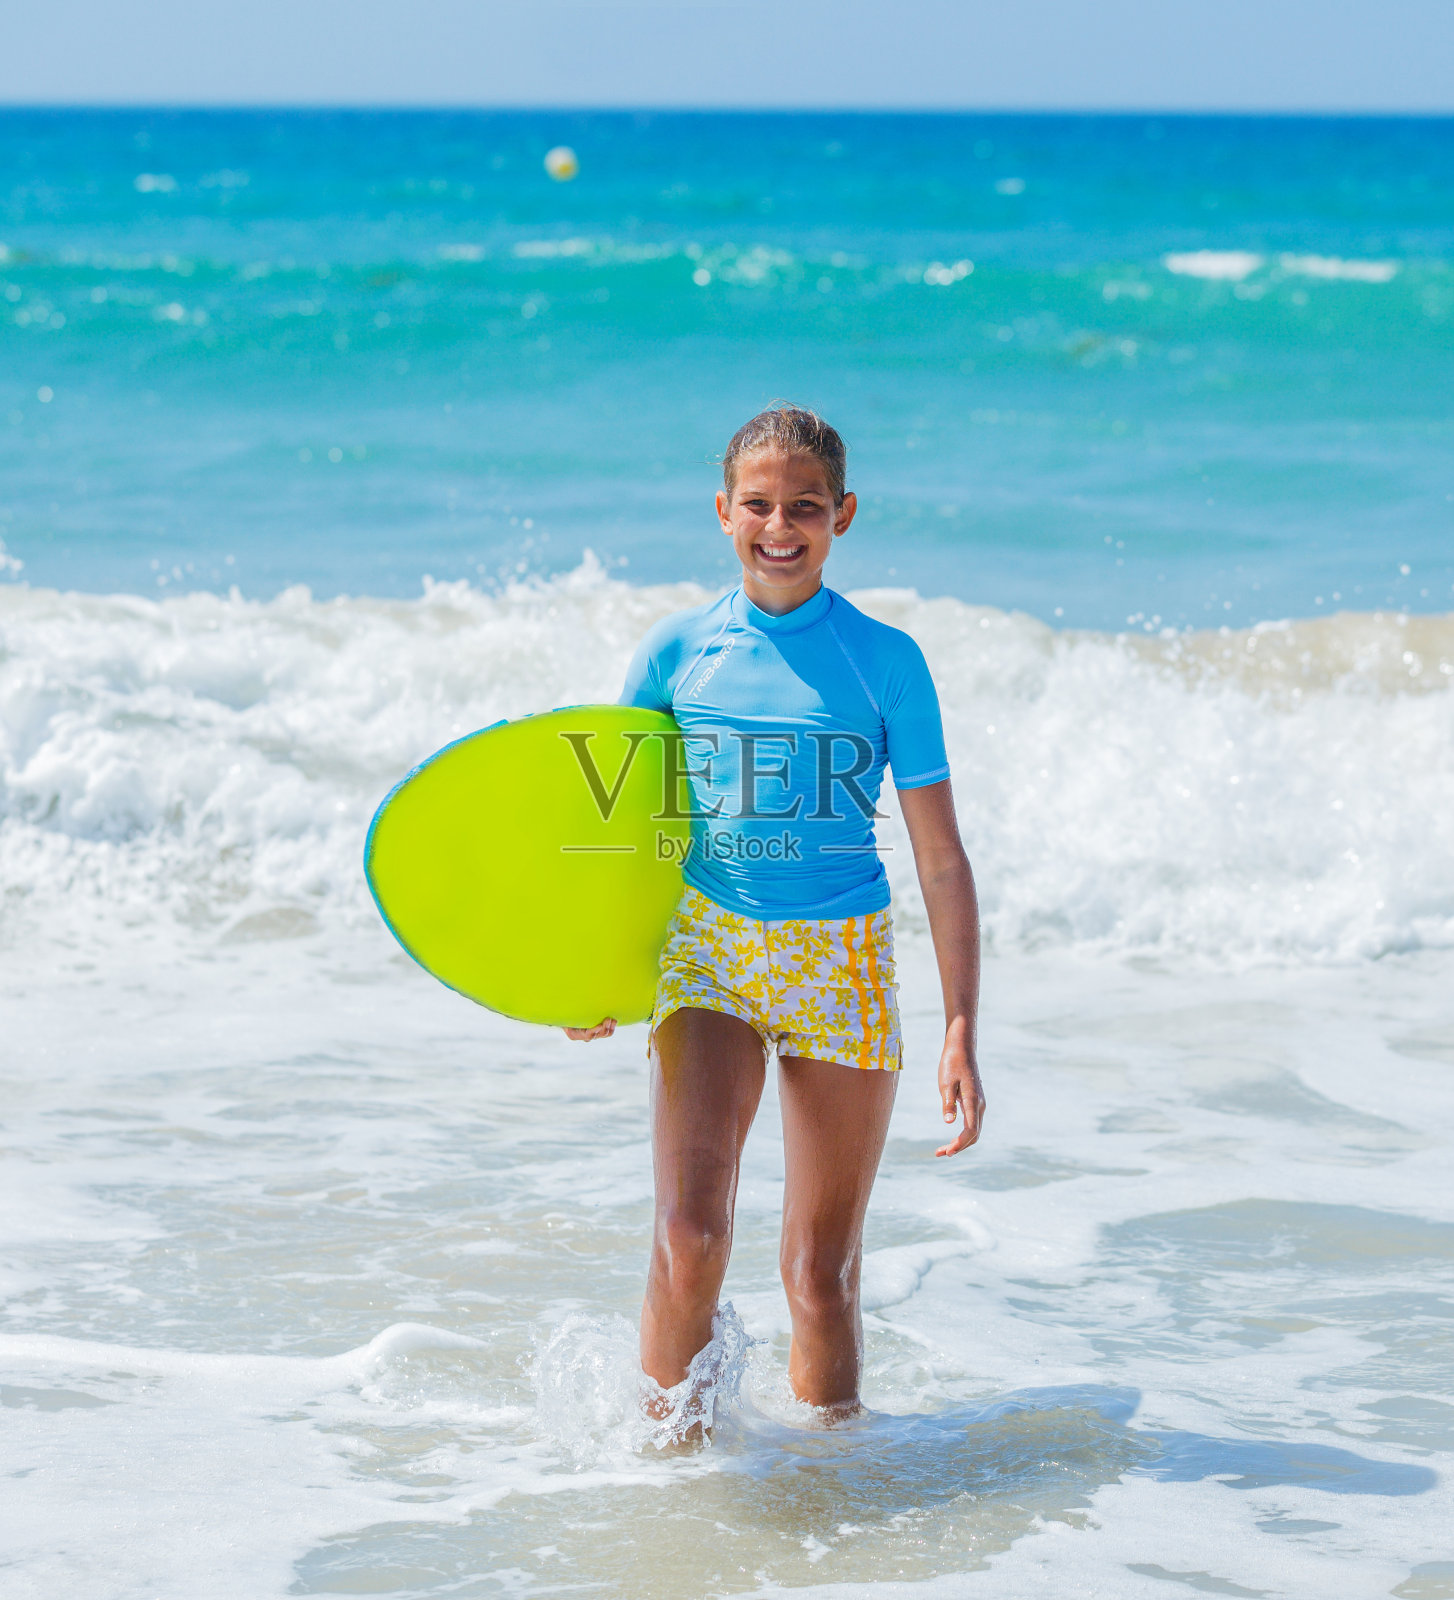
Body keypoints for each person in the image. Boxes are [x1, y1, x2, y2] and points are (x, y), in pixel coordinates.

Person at [567, 404, 985, 1418]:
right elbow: (623, 835)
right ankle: (665, 1479)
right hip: (708, 953)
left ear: (842, 514)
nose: (779, 525)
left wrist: (961, 1024)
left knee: (817, 1273)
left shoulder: (885, 661)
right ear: (721, 511)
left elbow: (937, 856)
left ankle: (827, 1510)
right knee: (688, 1234)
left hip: (839, 960)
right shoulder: (674, 652)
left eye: (804, 506)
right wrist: (591, 970)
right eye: (756, 504)